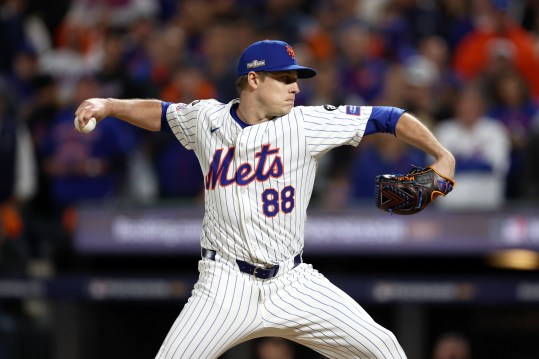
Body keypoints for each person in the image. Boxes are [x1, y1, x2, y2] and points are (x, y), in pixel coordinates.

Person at [75, 40, 455, 359]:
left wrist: (442, 155)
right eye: (285, 78)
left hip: (293, 281)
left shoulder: (306, 124)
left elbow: (387, 117)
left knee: (385, 348)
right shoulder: (207, 118)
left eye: (296, 79)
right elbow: (161, 113)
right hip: (224, 284)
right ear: (253, 80)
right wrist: (109, 105)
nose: (295, 87)